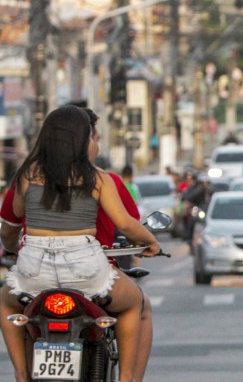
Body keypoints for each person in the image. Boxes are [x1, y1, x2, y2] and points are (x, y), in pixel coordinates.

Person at [0, 105, 160, 382]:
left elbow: (10, 228)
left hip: (33, 272)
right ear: (83, 140)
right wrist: (150, 242)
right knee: (134, 304)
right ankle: (127, 379)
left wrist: (13, 246)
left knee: (5, 303)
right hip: (85, 268)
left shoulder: (26, 175)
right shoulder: (98, 178)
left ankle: (22, 375)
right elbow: (125, 223)